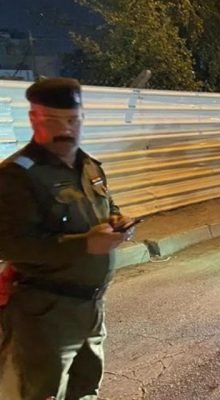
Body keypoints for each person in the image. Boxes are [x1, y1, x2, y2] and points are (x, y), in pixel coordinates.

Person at [0, 78, 136, 400]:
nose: (65, 129)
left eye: (73, 120)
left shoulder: (89, 167)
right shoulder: (17, 175)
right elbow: (8, 244)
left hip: (91, 309)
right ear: (33, 118)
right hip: (45, 315)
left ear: (82, 118)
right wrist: (84, 244)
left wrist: (119, 222)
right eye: (53, 120)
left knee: (86, 391)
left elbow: (108, 207)